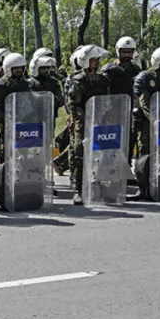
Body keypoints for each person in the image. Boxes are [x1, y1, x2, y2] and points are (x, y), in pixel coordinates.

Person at [65, 45, 111, 205]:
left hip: (100, 121)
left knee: (101, 153)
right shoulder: (78, 80)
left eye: (97, 60)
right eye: (93, 60)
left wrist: (104, 117)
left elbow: (107, 100)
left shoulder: (103, 80)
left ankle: (98, 185)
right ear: (85, 61)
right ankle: (77, 189)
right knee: (79, 153)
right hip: (82, 121)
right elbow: (73, 104)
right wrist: (81, 119)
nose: (96, 63)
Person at [0, 53, 41, 164]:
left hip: (25, 128)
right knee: (4, 160)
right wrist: (10, 120)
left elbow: (32, 103)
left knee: (26, 159)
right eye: (16, 68)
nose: (19, 71)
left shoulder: (27, 84)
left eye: (21, 68)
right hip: (6, 128)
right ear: (8, 68)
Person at [101, 37, 141, 162]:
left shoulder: (136, 69)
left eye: (129, 52)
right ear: (118, 51)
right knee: (113, 138)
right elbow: (103, 89)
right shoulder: (110, 69)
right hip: (114, 110)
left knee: (130, 137)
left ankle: (126, 164)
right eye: (124, 52)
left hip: (130, 109)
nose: (127, 55)